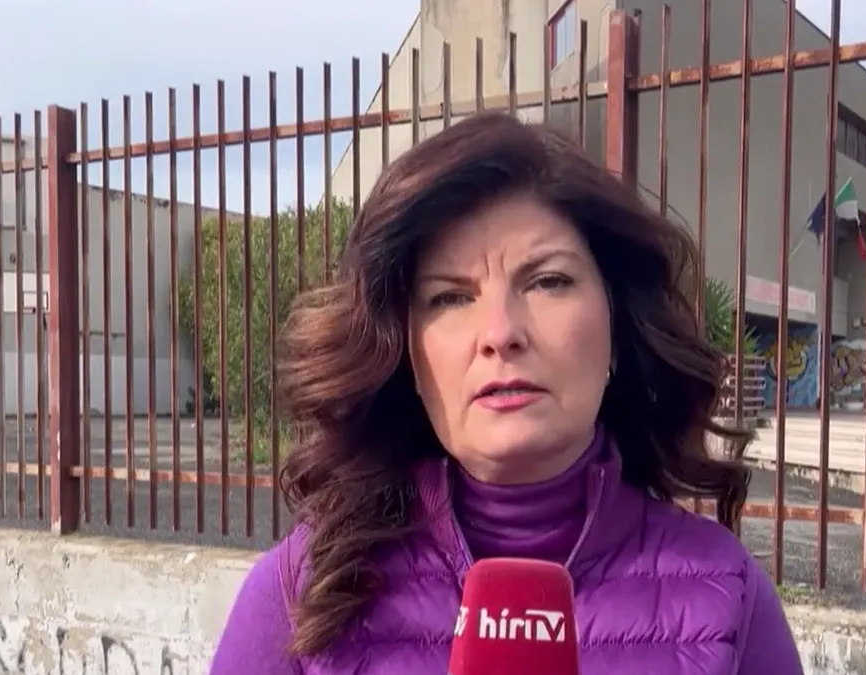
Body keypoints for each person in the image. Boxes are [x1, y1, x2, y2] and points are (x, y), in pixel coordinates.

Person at [210, 112, 803, 674]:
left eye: (548, 281)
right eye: (450, 297)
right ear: (406, 352)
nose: (499, 333)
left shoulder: (728, 595)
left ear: (617, 328)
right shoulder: (304, 590)